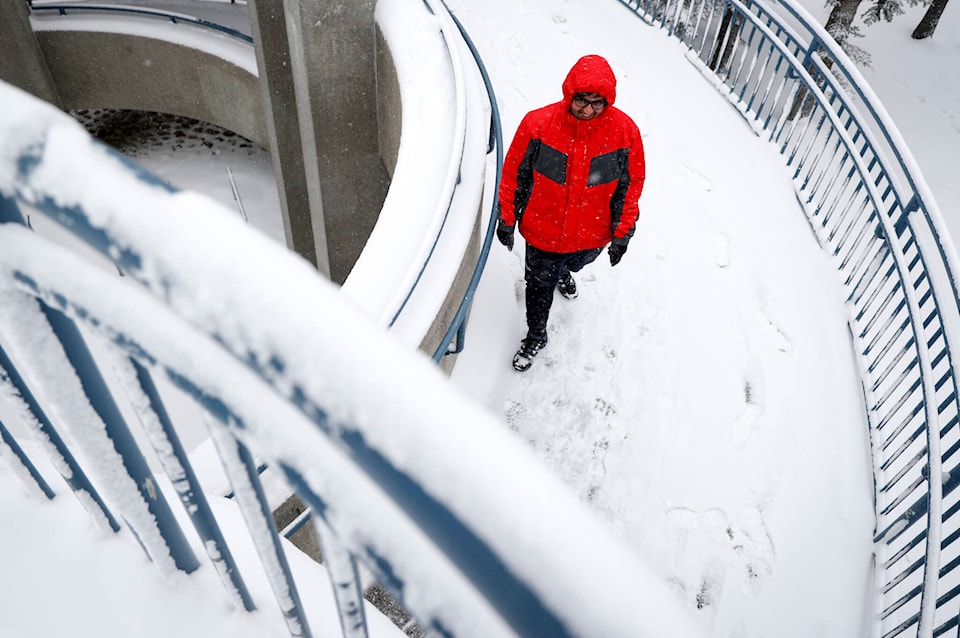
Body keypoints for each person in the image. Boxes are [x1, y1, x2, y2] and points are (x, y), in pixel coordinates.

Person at [496, 54, 646, 371]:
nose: (588, 110)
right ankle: (536, 335)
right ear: (570, 94)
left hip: (592, 234)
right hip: (542, 233)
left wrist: (622, 234)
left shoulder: (625, 133)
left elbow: (629, 189)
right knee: (538, 289)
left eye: (597, 103)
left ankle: (565, 271)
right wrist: (507, 218)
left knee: (578, 263)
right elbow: (514, 175)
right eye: (582, 100)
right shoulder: (537, 125)